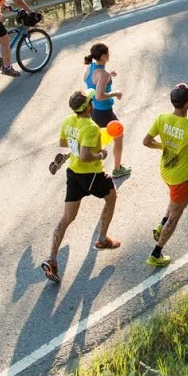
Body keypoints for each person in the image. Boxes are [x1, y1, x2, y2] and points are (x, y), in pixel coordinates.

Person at [41, 90, 121, 284]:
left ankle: (52, 259)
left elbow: (63, 142)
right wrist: (100, 154)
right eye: (91, 101)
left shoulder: (69, 120)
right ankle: (102, 239)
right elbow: (86, 156)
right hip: (92, 174)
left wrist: (73, 150)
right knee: (111, 197)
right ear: (88, 107)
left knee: (67, 217)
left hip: (73, 173)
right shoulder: (91, 127)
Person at [142, 84, 188, 268]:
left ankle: (161, 225)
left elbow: (147, 141)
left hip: (166, 171)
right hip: (181, 178)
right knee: (176, 216)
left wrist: (163, 146)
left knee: (173, 200)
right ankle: (156, 253)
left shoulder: (162, 118)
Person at [82, 43, 130, 179]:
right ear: (103, 56)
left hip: (92, 109)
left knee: (94, 139)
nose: (109, 55)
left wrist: (109, 75)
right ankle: (117, 169)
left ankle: (87, 168)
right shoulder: (102, 74)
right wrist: (115, 93)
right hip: (104, 111)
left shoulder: (91, 67)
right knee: (118, 136)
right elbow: (99, 96)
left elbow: (87, 80)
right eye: (107, 53)